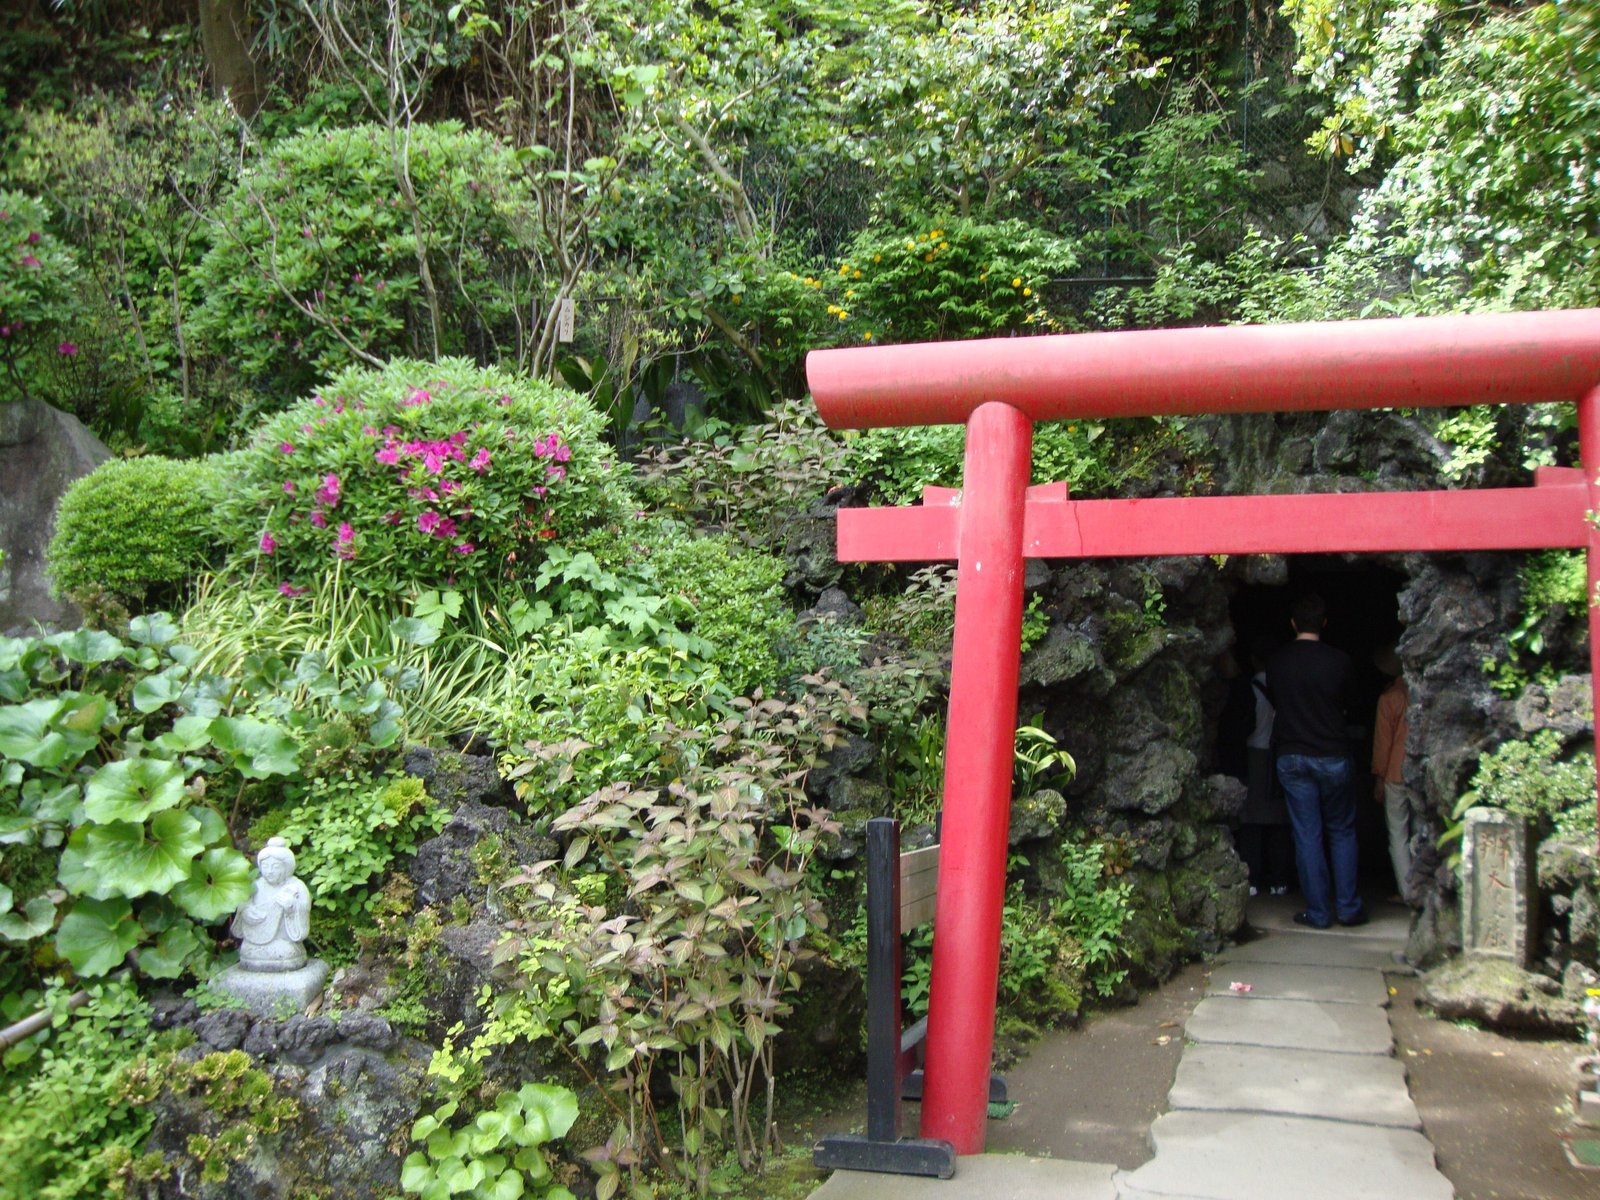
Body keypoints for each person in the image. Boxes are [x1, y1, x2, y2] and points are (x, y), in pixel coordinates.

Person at [1265, 593, 1364, 929]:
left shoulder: (1277, 662)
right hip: (1334, 754)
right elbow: (1350, 702)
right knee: (1342, 831)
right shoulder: (1340, 661)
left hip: (1292, 755)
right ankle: (1349, 908)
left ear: (1292, 623)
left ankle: (1319, 913)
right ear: (1324, 623)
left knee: (1307, 834)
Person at [1238, 633, 1293, 897]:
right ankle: (1279, 880)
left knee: (1251, 821)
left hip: (1254, 756)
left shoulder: (1249, 689)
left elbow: (1244, 726)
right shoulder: (1286, 687)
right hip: (1280, 755)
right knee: (1280, 821)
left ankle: (1252, 879)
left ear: (1252, 659)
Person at [1371, 647, 1417, 906]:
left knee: (1398, 835)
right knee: (1420, 831)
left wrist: (1378, 777)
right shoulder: (1420, 694)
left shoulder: (1389, 698)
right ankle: (1422, 887)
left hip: (1394, 773)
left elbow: (1382, 743)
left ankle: (1407, 891)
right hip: (1418, 773)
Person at [231, 837, 312, 971]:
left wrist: (291, 908)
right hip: (255, 940)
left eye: (275, 867)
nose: (269, 871)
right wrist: (245, 910)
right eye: (265, 866)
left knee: (287, 951)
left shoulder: (296, 887)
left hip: (284, 941)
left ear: (286, 867)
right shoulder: (257, 885)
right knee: (246, 949)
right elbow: (243, 904)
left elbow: (302, 912)